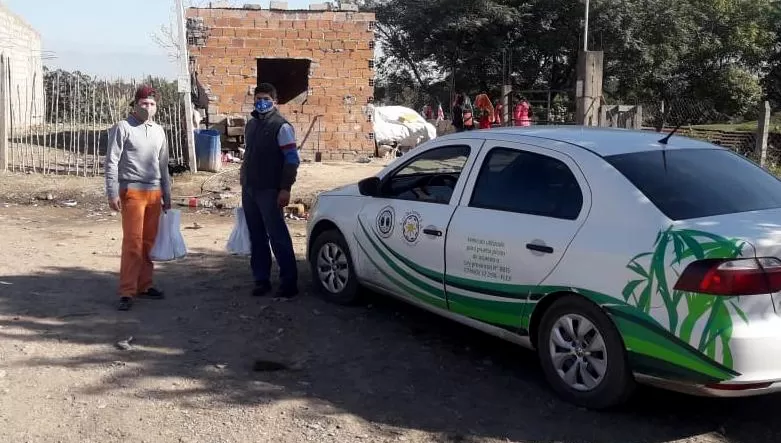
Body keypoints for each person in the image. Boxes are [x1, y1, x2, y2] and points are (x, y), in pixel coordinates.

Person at [105, 85, 172, 311]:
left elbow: (163, 165)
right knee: (132, 242)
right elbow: (112, 161)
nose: (148, 107)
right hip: (131, 191)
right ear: (135, 104)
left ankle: (145, 284)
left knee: (148, 242)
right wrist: (112, 191)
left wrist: (167, 194)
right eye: (144, 103)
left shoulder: (159, 131)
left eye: (152, 104)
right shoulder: (123, 127)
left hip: (154, 192)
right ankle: (127, 290)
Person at [240, 83, 300, 298]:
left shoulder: (281, 126)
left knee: (277, 235)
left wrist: (285, 188)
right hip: (250, 188)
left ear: (275, 101)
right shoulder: (252, 125)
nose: (260, 102)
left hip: (270, 190)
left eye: (265, 98)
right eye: (257, 98)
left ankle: (289, 282)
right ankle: (261, 279)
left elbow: (291, 160)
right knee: (256, 236)